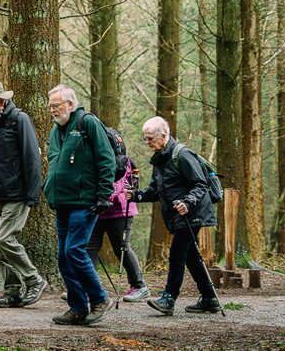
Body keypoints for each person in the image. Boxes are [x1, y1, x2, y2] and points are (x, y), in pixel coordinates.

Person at [125, 116, 221, 315]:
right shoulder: (160, 158)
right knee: (191, 257)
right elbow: (155, 191)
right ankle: (209, 298)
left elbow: (200, 183)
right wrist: (135, 195)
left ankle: (169, 298)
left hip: (192, 212)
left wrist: (188, 202)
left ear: (164, 135)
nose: (148, 142)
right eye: (145, 138)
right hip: (179, 214)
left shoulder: (182, 155)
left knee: (177, 252)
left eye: (150, 138)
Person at [42, 84, 115, 325]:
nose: (53, 110)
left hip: (86, 201)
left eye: (57, 105)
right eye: (51, 106)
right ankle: (77, 307)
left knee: (74, 250)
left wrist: (104, 194)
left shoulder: (88, 123)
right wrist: (47, 187)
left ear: (70, 105)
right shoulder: (56, 130)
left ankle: (99, 299)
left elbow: (106, 159)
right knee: (64, 257)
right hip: (62, 202)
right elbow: (54, 162)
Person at [0, 81, 48, 308]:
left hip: (17, 194)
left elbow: (32, 159)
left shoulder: (19, 119)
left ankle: (34, 280)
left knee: (5, 239)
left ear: (2, 100)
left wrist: (33, 194)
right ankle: (12, 292)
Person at [85, 157, 151, 302]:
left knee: (121, 248)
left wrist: (103, 198)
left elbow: (118, 183)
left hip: (119, 211)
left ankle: (139, 286)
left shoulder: (121, 159)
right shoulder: (92, 156)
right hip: (97, 210)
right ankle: (87, 287)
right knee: (89, 248)